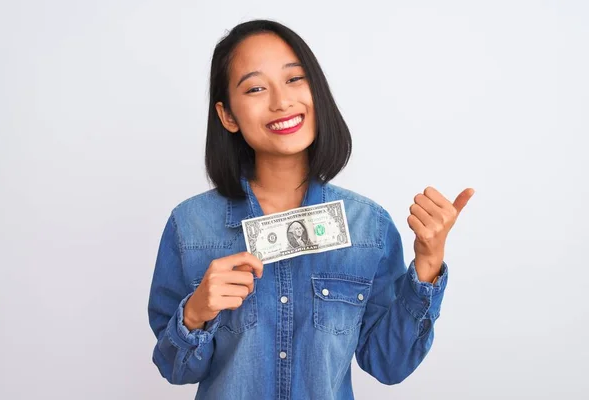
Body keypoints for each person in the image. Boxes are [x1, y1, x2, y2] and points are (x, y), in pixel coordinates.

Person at [147, 19, 474, 399]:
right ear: (228, 116)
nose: (281, 101)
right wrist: (195, 314)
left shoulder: (369, 227)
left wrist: (429, 261)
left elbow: (388, 363)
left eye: (294, 79)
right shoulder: (190, 228)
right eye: (255, 88)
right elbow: (174, 368)